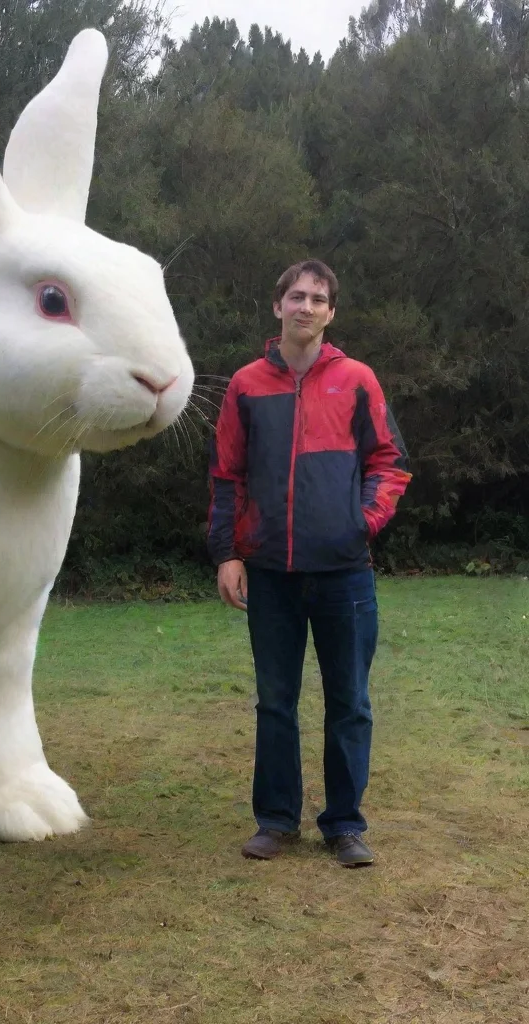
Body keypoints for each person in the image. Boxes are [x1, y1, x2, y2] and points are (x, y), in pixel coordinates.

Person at [207, 260, 411, 867]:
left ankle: (345, 825)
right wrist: (227, 553)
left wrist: (361, 523)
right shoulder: (246, 385)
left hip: (344, 573)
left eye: (318, 298)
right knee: (275, 700)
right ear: (278, 307)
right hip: (269, 572)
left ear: (330, 313)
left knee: (349, 700)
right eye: (296, 295)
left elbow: (390, 463)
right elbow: (226, 475)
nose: (306, 305)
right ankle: (275, 820)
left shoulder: (357, 381)